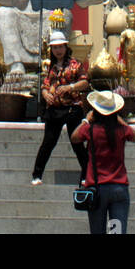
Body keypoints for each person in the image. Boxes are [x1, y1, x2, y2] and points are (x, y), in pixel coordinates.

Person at [71, 89, 135, 235]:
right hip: (119, 188)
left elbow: (74, 137)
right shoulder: (121, 131)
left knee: (97, 231)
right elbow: (134, 135)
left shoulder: (90, 130)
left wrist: (86, 120)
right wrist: (119, 119)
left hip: (97, 188)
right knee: (117, 231)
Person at [31, 32, 90, 185]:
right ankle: (37, 175)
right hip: (54, 109)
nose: (58, 50)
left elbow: (85, 83)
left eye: (60, 47)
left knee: (77, 142)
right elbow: (44, 85)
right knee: (48, 142)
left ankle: (86, 175)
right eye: (55, 47)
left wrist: (70, 87)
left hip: (72, 108)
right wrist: (45, 94)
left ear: (65, 47)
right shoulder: (50, 67)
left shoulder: (75, 64)